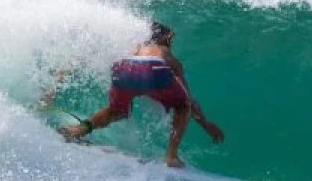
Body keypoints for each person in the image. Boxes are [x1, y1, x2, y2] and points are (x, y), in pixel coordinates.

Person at [58, 22, 224, 168]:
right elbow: (189, 100)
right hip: (154, 68)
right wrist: (206, 124)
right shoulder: (165, 52)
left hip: (123, 67)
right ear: (166, 38)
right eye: (171, 39)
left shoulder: (135, 48)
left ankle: (79, 129)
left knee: (117, 110)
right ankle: (171, 156)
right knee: (183, 105)